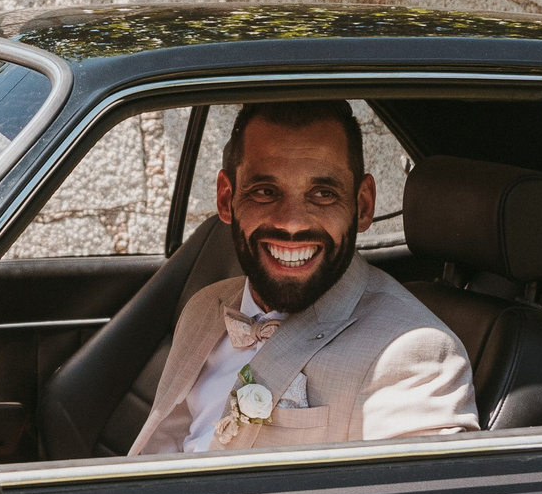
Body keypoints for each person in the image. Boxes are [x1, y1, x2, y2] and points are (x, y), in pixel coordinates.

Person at [132, 101, 478, 453]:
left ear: (362, 206)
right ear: (226, 198)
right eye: (265, 191)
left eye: (323, 194)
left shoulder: (412, 355)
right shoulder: (205, 306)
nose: (292, 222)